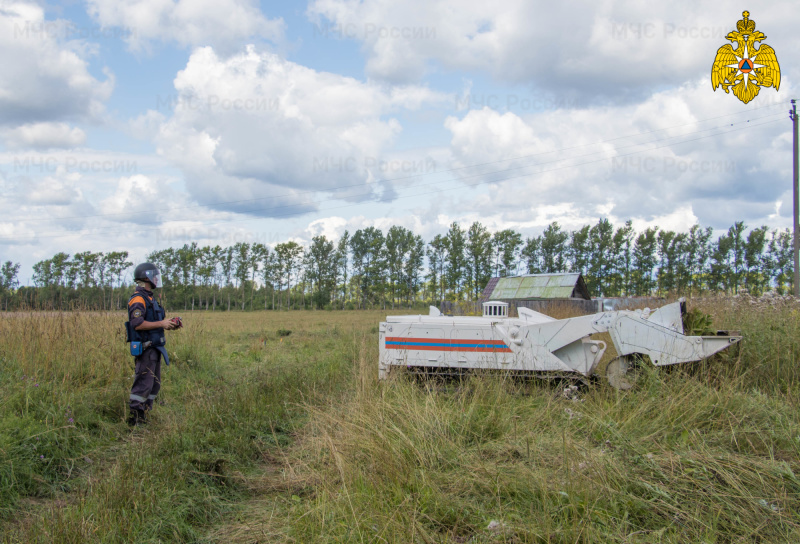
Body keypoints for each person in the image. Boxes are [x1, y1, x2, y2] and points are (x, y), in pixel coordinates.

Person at [126, 262, 181, 426]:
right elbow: (137, 324)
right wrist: (161, 324)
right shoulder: (138, 299)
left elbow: (155, 322)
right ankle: (135, 419)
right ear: (146, 277)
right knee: (143, 384)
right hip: (146, 349)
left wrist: (170, 324)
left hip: (156, 348)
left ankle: (144, 414)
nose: (157, 279)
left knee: (154, 385)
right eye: (154, 276)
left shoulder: (150, 299)